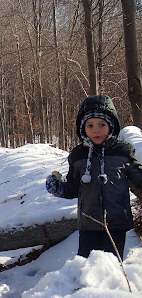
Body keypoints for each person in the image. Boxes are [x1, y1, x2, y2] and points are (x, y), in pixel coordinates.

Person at [45, 94, 142, 260]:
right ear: (83, 129)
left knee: (111, 266)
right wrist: (59, 188)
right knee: (86, 266)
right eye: (90, 125)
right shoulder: (78, 155)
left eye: (101, 124)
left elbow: (138, 178)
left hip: (116, 223)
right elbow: (74, 188)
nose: (95, 130)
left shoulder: (123, 151)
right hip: (88, 223)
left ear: (111, 126)